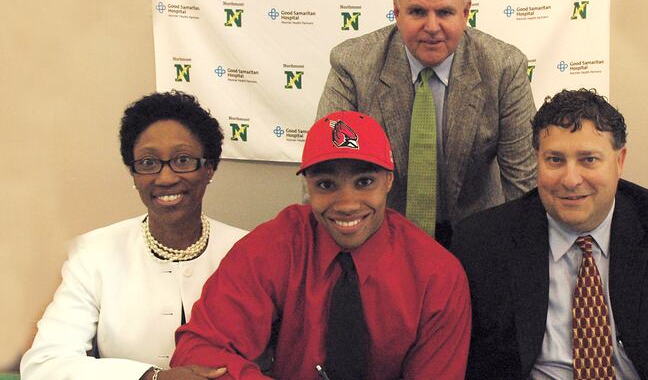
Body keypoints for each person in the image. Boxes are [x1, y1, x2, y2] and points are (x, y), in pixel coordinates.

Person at [451, 89, 648, 379]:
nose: (571, 180)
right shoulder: (483, 243)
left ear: (619, 161)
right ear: (537, 160)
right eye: (555, 160)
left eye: (589, 159)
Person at [171, 111, 471, 380]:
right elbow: (199, 351)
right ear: (308, 186)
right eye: (327, 184)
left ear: (389, 180)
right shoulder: (276, 244)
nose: (347, 204)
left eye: (364, 182)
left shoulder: (436, 274)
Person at [317, 0, 536, 246]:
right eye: (418, 12)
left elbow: (524, 186)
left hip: (478, 235)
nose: (432, 27)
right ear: (397, 12)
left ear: (465, 13)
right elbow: (326, 170)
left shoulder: (505, 68)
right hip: (382, 235)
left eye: (444, 12)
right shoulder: (352, 65)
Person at [20, 91, 246, 380]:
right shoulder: (93, 252)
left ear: (209, 168)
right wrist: (150, 378)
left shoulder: (248, 250)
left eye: (183, 159)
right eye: (148, 163)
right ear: (134, 174)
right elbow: (43, 365)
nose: (166, 178)